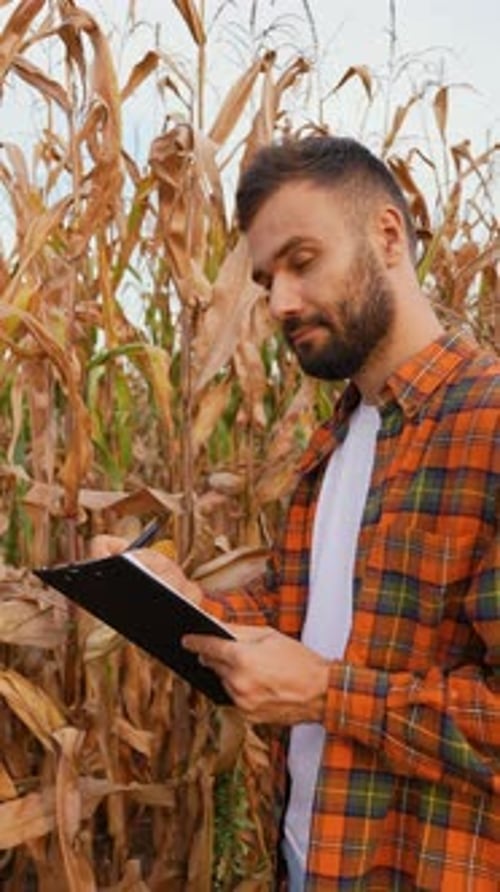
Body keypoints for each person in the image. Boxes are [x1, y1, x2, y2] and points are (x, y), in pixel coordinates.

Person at [97, 136, 500, 890]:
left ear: (387, 236)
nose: (279, 301)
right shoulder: (339, 437)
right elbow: (308, 617)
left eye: (303, 261)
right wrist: (185, 602)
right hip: (312, 859)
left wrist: (325, 694)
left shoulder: (488, 424)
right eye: (266, 277)